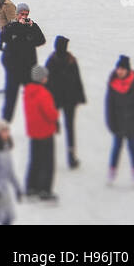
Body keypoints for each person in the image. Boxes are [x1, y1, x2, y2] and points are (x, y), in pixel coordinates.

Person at [0, 3, 46, 122]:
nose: (24, 16)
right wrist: (18, 26)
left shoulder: (32, 26)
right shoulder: (12, 26)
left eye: (26, 14)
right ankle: (5, 125)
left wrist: (32, 29)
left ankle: (35, 123)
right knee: (10, 99)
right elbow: (4, 37)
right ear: (17, 14)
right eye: (22, 14)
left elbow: (41, 40)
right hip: (14, 70)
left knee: (32, 98)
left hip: (28, 70)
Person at [45, 36, 86, 169]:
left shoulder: (53, 61)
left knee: (55, 128)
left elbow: (46, 82)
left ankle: (56, 157)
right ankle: (70, 157)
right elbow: (77, 79)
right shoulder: (69, 60)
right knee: (68, 128)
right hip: (67, 99)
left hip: (60, 99)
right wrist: (80, 96)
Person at [105, 55, 134, 186]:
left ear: (127, 70)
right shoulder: (113, 83)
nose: (119, 71)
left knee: (132, 147)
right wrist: (110, 122)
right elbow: (109, 104)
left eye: (122, 69)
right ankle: (112, 172)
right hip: (118, 123)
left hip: (132, 123)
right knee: (116, 147)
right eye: (118, 69)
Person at [22, 65, 59, 201]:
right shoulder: (44, 93)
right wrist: (56, 114)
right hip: (45, 132)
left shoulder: (27, 92)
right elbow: (50, 114)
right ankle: (45, 190)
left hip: (33, 132)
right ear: (43, 78)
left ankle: (31, 187)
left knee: (34, 160)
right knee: (47, 163)